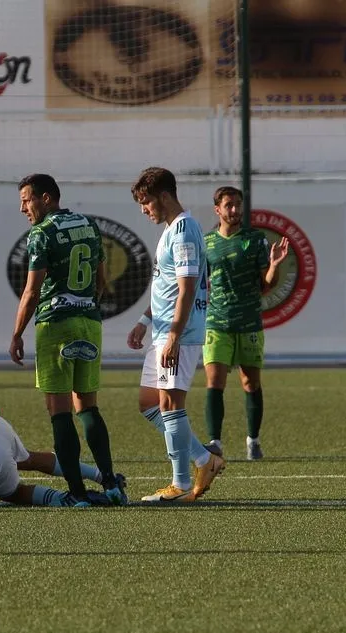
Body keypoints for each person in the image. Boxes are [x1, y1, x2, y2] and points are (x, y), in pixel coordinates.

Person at [8, 174, 126, 506]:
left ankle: (77, 492)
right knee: (88, 407)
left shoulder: (41, 233)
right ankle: (112, 487)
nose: (23, 208)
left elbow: (32, 292)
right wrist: (84, 305)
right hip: (89, 322)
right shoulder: (88, 225)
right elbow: (102, 281)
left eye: (27, 200)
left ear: (47, 198)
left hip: (55, 325)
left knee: (59, 411)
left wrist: (16, 334)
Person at [127, 167, 226, 503]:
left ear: (164, 196)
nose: (144, 209)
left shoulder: (183, 231)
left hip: (177, 334)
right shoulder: (171, 230)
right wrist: (144, 319)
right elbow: (167, 286)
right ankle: (204, 458)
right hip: (164, 330)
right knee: (149, 403)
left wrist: (172, 335)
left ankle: (180, 484)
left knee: (169, 404)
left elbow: (186, 289)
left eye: (146, 202)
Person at [203, 186, 289, 460]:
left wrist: (274, 265)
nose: (235, 210)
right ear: (217, 209)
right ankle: (215, 441)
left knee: (250, 383)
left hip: (249, 321)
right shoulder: (206, 243)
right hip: (216, 322)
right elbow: (196, 284)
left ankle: (253, 440)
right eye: (229, 205)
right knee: (214, 382)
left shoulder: (255, 240)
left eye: (238, 205)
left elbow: (267, 285)